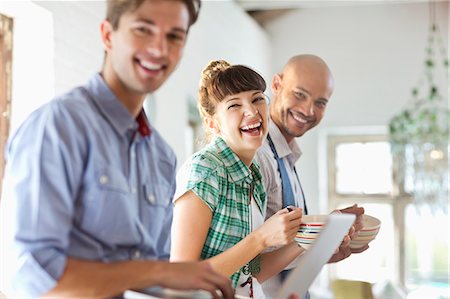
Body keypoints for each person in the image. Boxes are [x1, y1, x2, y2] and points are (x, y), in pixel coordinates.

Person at [0, 1, 235, 298]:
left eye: (174, 36)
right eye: (143, 29)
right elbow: (28, 275)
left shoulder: (161, 157)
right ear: (108, 35)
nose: (159, 49)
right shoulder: (58, 127)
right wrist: (161, 272)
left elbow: (155, 275)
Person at [170, 60, 304, 299]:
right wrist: (262, 238)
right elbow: (181, 279)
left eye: (257, 99)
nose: (252, 111)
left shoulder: (253, 176)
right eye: (234, 105)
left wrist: (308, 241)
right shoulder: (205, 169)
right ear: (214, 124)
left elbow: (248, 273)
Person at [254, 54, 368, 297]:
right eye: (300, 94)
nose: (308, 110)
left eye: (320, 102)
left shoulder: (286, 156)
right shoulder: (259, 155)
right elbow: (246, 261)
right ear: (276, 85)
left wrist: (324, 250)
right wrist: (321, 233)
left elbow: (279, 249)